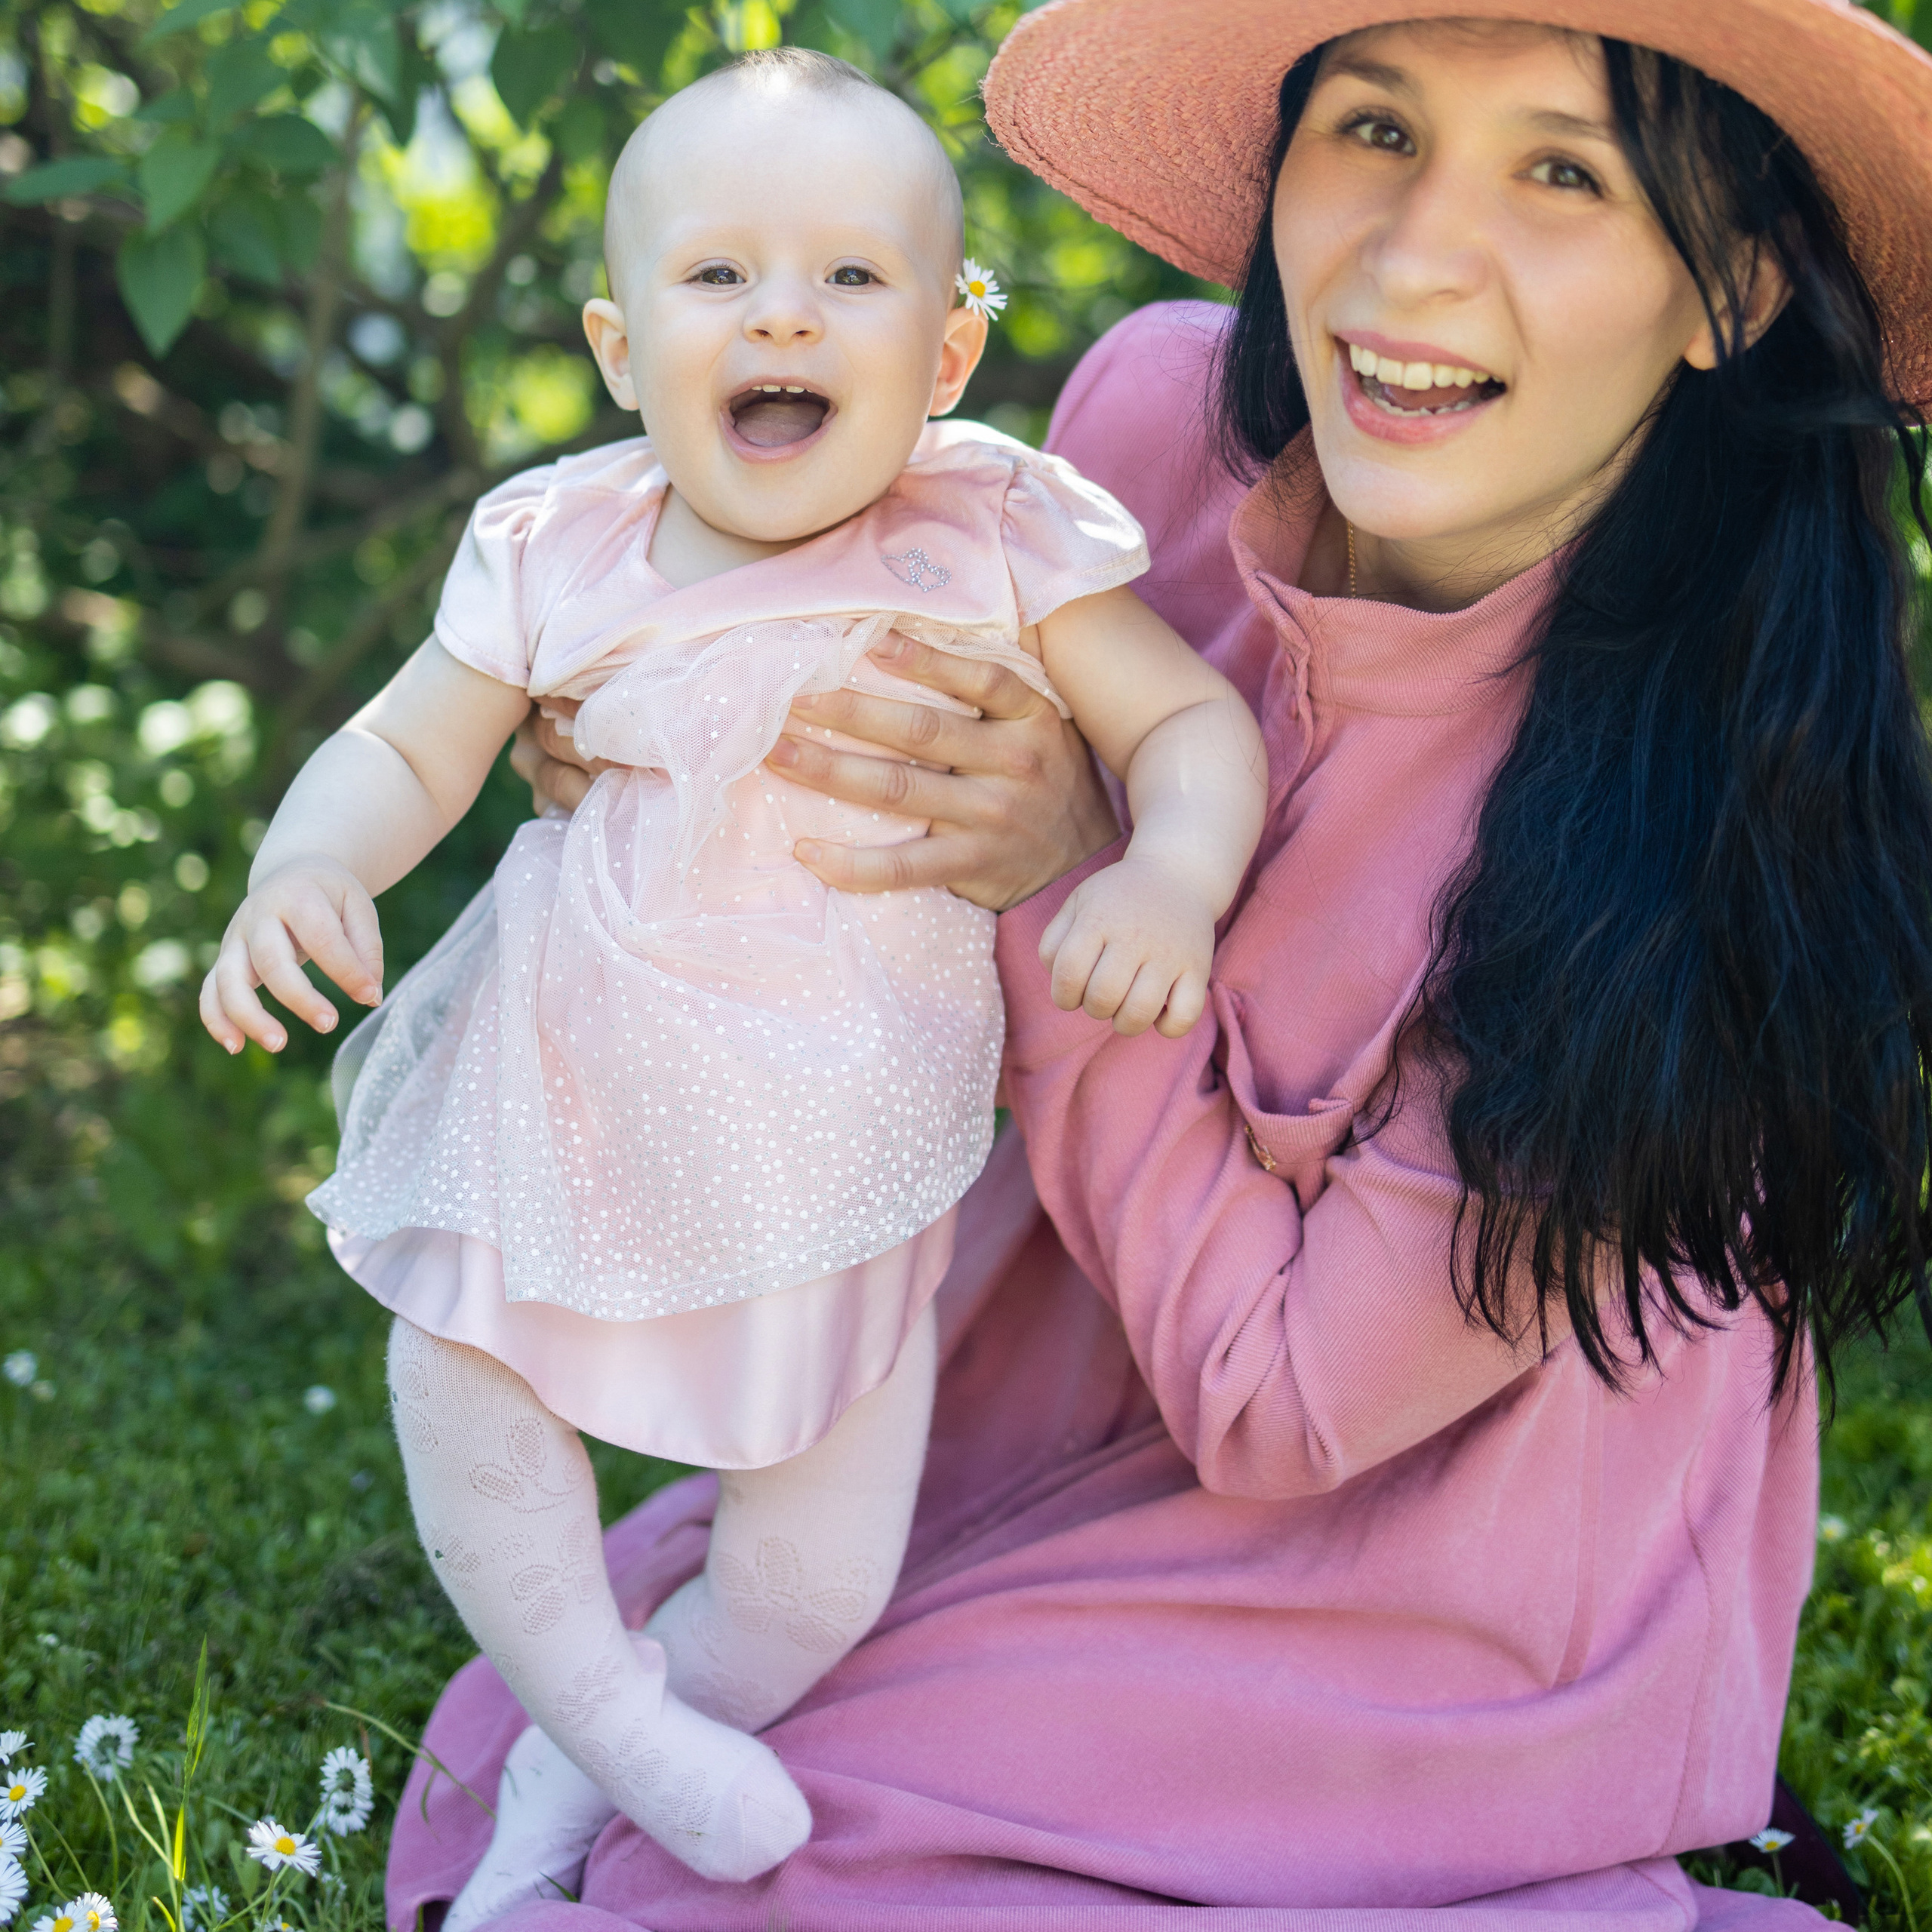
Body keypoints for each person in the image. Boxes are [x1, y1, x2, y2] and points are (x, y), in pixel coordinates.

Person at [387, 1, 1932, 1927]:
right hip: (1005, 1419)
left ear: (1729, 284)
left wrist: (1063, 874)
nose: (1410, 252)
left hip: (1416, 1588)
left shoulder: (1700, 831)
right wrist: (645, 719)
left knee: (747, 1883)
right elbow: (801, 628)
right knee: (573, 1757)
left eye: (1560, 170)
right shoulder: (1132, 442)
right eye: (1370, 131)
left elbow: (1282, 1403)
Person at [196, 42, 1266, 1921]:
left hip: (847, 1140)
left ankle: (591, 1748)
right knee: (458, 1383)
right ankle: (598, 1702)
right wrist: (305, 861)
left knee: (813, 1571)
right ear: (621, 348)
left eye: (852, 277)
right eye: (720, 276)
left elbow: (1182, 716)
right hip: (565, 1072)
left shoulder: (991, 532)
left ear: (941, 359)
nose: (784, 308)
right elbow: (403, 744)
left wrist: (1172, 865)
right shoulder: (561, 543)